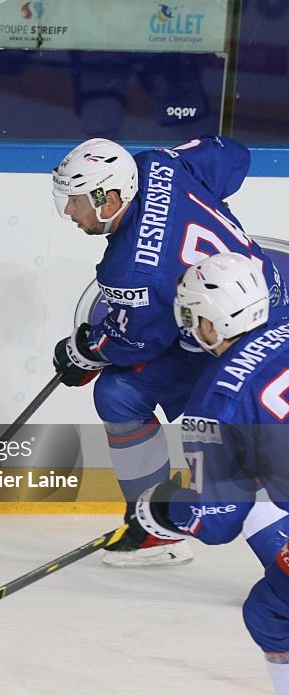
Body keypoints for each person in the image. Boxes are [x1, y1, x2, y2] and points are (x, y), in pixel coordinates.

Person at [50, 136, 289, 567]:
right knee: (124, 396)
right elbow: (233, 154)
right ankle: (161, 529)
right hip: (266, 300)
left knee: (228, 442)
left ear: (109, 198)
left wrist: (86, 350)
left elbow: (132, 343)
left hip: (230, 339)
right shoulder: (160, 164)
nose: (70, 211)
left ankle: (164, 528)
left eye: (77, 201)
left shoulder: (133, 270)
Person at [125, 252, 289, 693]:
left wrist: (160, 511)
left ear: (212, 325)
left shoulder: (218, 398)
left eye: (191, 315)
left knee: (270, 612)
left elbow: (215, 521)